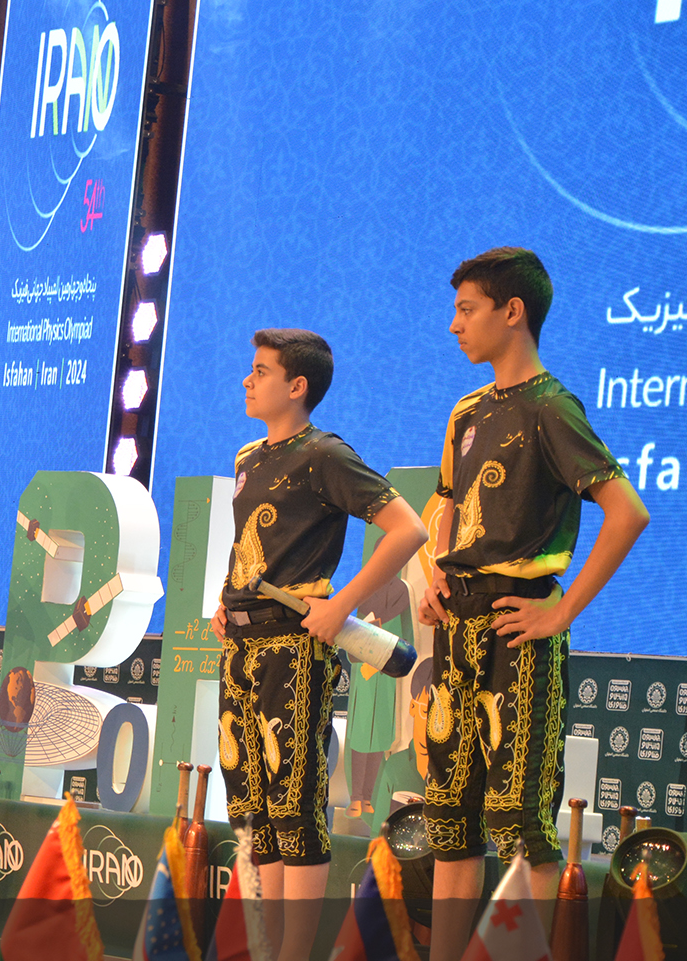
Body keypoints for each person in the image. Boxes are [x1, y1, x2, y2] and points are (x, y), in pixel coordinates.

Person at [418, 249, 648, 961]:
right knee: (449, 821)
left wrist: (560, 611)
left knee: (520, 826)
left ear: (512, 311)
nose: (454, 324)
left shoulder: (551, 407)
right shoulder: (466, 411)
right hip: (456, 632)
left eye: (467, 309)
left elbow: (628, 511)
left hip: (518, 637)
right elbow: (446, 504)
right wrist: (435, 574)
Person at [211, 329, 429, 961]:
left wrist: (342, 604)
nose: (248, 380)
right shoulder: (248, 458)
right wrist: (227, 600)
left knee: (293, 801)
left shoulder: (324, 454)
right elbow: (250, 548)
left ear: (297, 386)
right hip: (241, 646)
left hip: (294, 648)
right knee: (251, 803)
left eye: (261, 371)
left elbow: (408, 528)